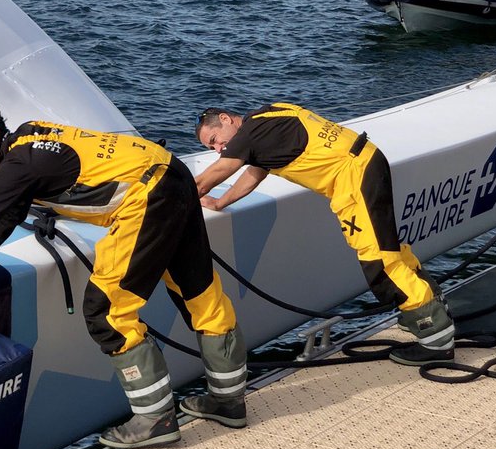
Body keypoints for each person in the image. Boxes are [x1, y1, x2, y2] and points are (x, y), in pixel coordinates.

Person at [0, 100, 247, 448]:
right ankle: (228, 401)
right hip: (171, 175)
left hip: (148, 198)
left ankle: (155, 418)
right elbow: (9, 212)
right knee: (200, 295)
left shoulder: (21, 160)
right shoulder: (30, 143)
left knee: (106, 311)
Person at [194, 103, 455, 366]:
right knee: (389, 249)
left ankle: (435, 334)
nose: (218, 149)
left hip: (353, 178)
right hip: (363, 163)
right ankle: (429, 311)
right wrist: (220, 203)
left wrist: (181, 196)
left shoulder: (250, 133)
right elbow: (255, 173)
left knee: (379, 261)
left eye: (215, 140)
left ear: (226, 119)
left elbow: (221, 169)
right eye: (211, 148)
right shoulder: (267, 117)